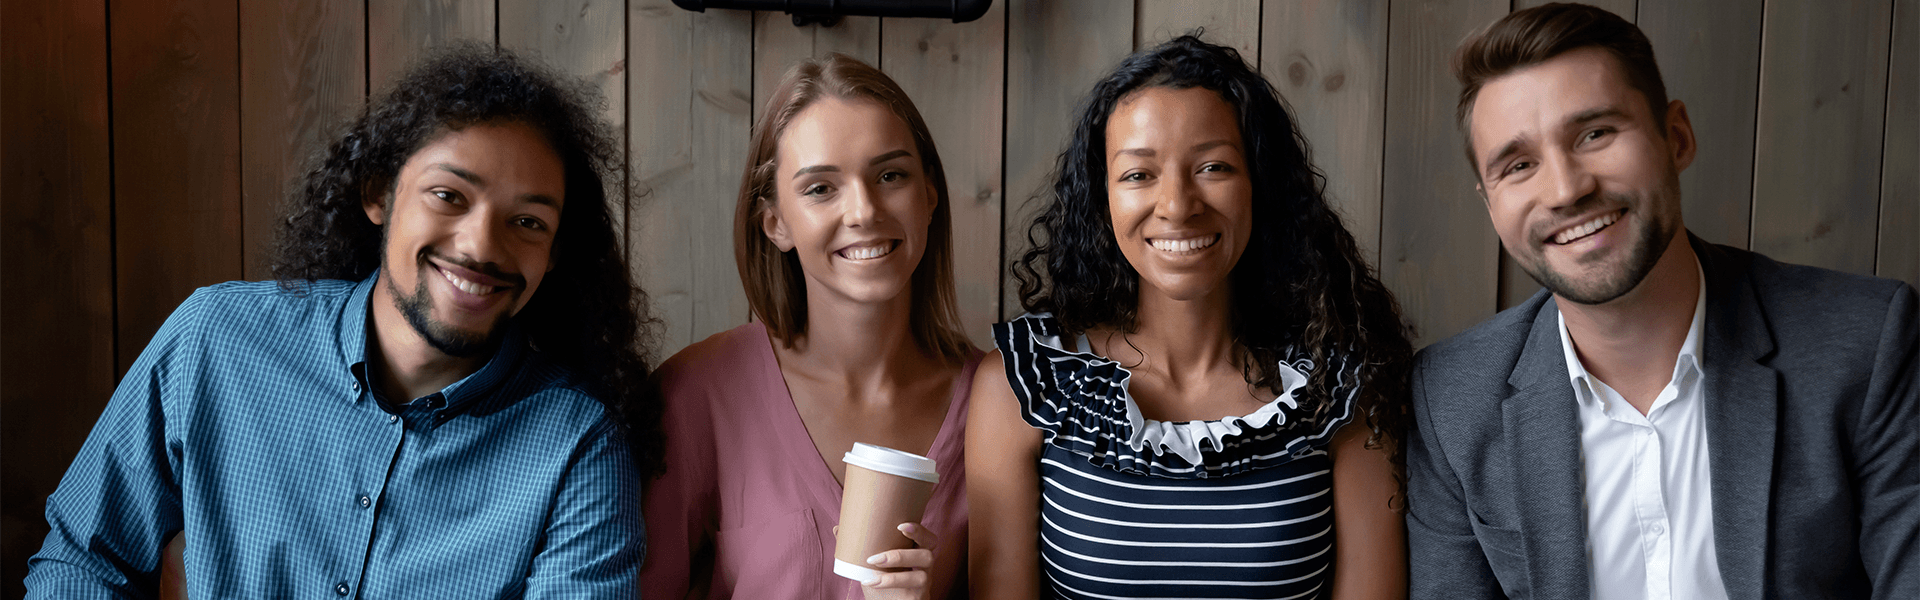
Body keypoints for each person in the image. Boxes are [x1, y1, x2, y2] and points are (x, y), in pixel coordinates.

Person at [23, 44, 660, 598]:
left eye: (528, 222)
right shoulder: (213, 340)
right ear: (379, 193)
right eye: (449, 196)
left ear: (553, 256)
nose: (480, 246)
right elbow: (81, 561)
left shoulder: (580, 448)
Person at [1405, 3, 1920, 599]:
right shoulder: (1450, 399)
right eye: (1519, 165)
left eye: (1595, 134)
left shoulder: (1867, 343)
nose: (1567, 189)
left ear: (1676, 137)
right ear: (1490, 204)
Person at [968, 35, 1415, 599]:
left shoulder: (1342, 385)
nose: (1178, 205)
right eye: (1138, 174)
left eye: (1213, 167)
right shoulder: (1021, 384)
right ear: (1102, 199)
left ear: (1261, 187)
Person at [639, 53, 979, 600]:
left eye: (891, 175)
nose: (865, 210)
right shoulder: (698, 394)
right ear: (775, 222)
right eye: (821, 188)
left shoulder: (994, 404)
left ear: (929, 196)